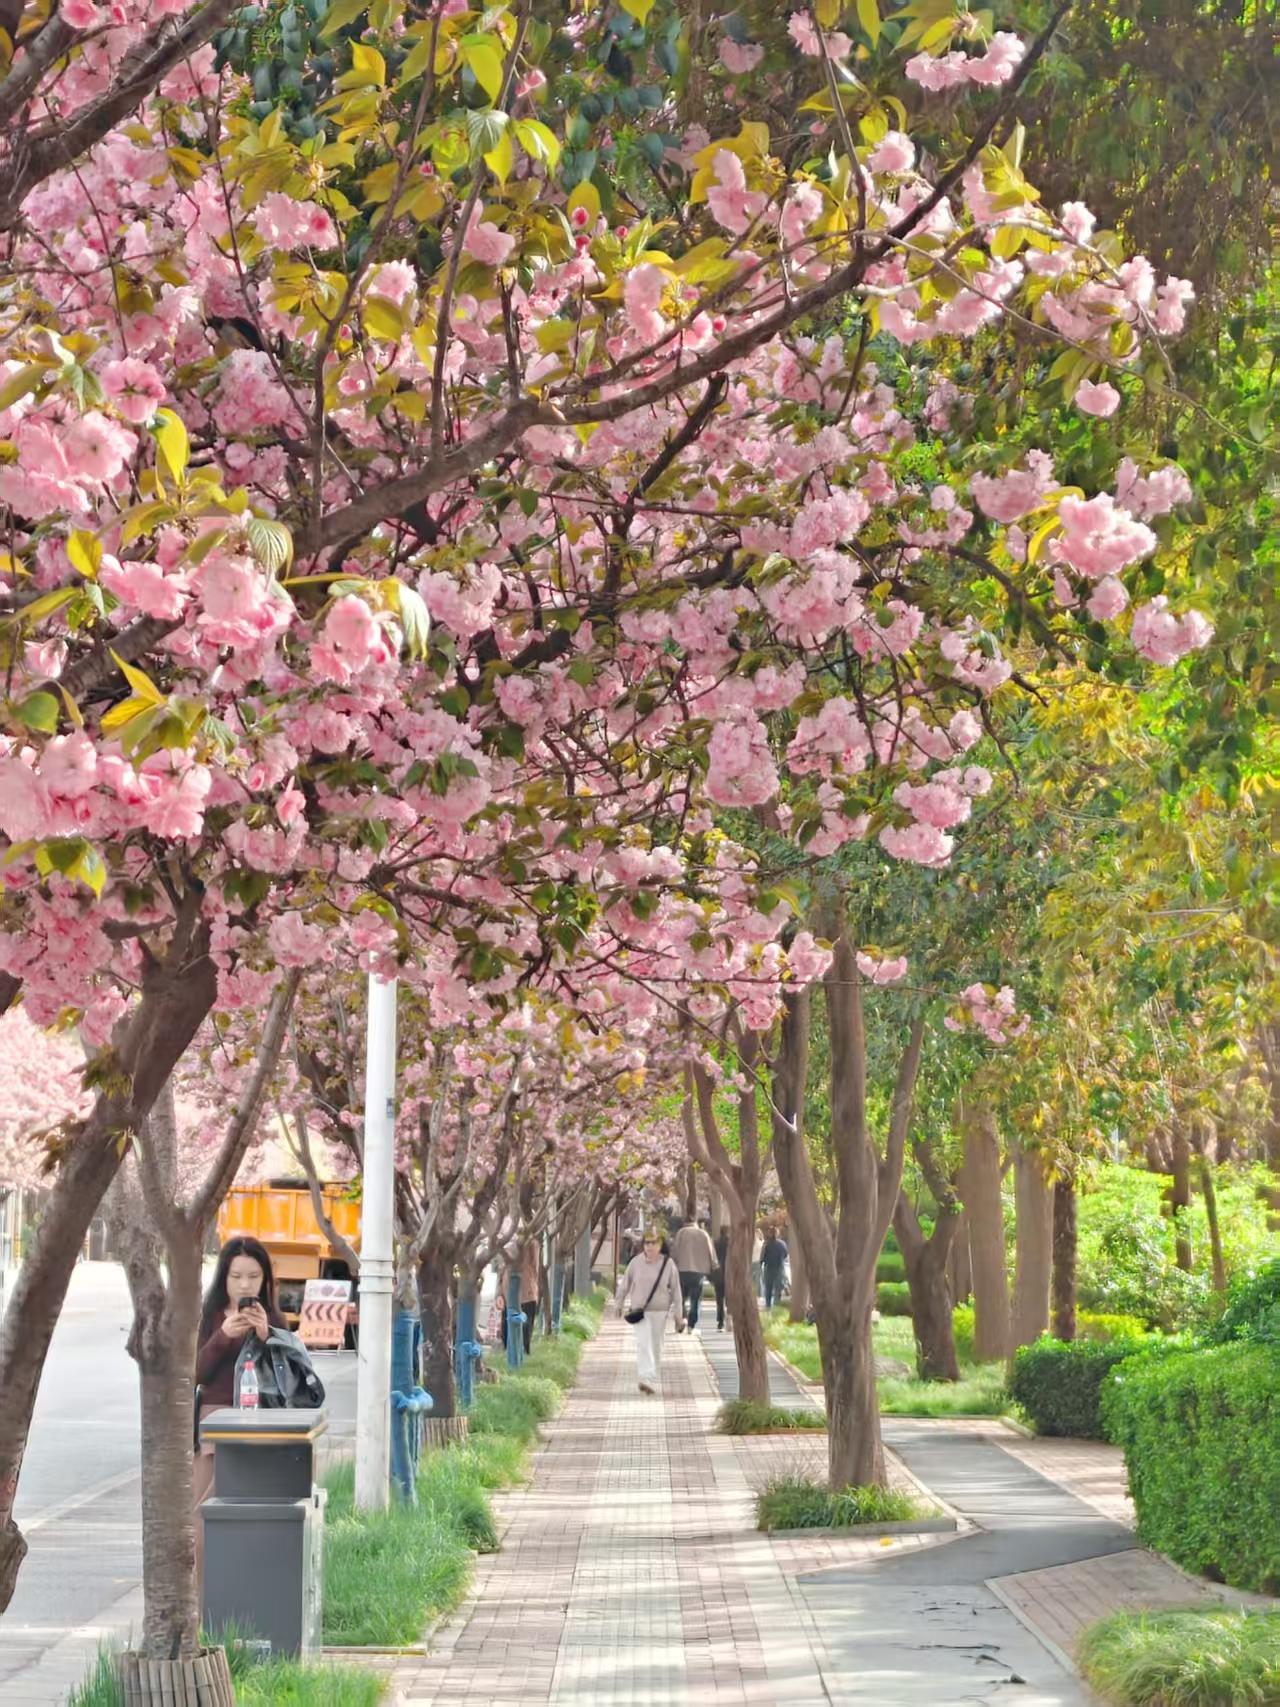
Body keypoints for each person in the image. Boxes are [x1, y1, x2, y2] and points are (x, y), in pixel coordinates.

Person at [194, 1236, 287, 1507]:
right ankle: (201, 1552)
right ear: (224, 1277)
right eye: (236, 1276)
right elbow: (196, 1373)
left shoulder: (274, 1320)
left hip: (260, 1422)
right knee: (204, 1506)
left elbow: (288, 1381)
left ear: (265, 1279)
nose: (244, 1284)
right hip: (216, 1420)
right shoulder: (211, 1315)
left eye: (253, 1276)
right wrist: (222, 1336)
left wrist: (266, 1337)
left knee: (244, 1505)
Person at [620, 1230, 683, 1394]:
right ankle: (645, 1377)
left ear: (660, 1245)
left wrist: (679, 1314)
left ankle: (652, 1377)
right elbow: (625, 1284)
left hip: (660, 1311)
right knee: (642, 1343)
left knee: (655, 1344)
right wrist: (618, 1303)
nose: (649, 1246)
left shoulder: (668, 1264)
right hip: (639, 1311)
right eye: (647, 1243)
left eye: (653, 1243)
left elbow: (676, 1290)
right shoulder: (635, 1263)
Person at [671, 1217, 717, 1332]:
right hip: (699, 1272)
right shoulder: (703, 1234)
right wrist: (714, 1266)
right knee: (695, 1299)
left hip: (682, 1270)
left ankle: (682, 1318)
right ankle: (692, 1324)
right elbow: (711, 1252)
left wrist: (672, 1264)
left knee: (680, 1298)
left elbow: (675, 1251)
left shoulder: (681, 1233)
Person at [761, 1227, 789, 1310]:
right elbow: (785, 1254)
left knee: (768, 1288)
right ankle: (776, 1305)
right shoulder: (782, 1244)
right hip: (779, 1267)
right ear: (777, 1234)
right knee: (778, 1287)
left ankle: (768, 1305)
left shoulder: (766, 1244)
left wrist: (762, 1262)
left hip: (769, 1267)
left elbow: (762, 1257)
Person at [712, 1226, 729, 1330]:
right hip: (729, 1274)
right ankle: (730, 1319)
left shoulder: (715, 1243)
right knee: (730, 1298)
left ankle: (720, 1321)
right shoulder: (731, 1243)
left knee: (719, 1299)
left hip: (718, 1273)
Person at [751, 1227, 764, 1300]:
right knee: (756, 1280)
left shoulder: (760, 1243)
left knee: (757, 1280)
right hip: (754, 1262)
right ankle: (757, 1295)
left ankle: (758, 1295)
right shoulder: (761, 1243)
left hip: (756, 1262)